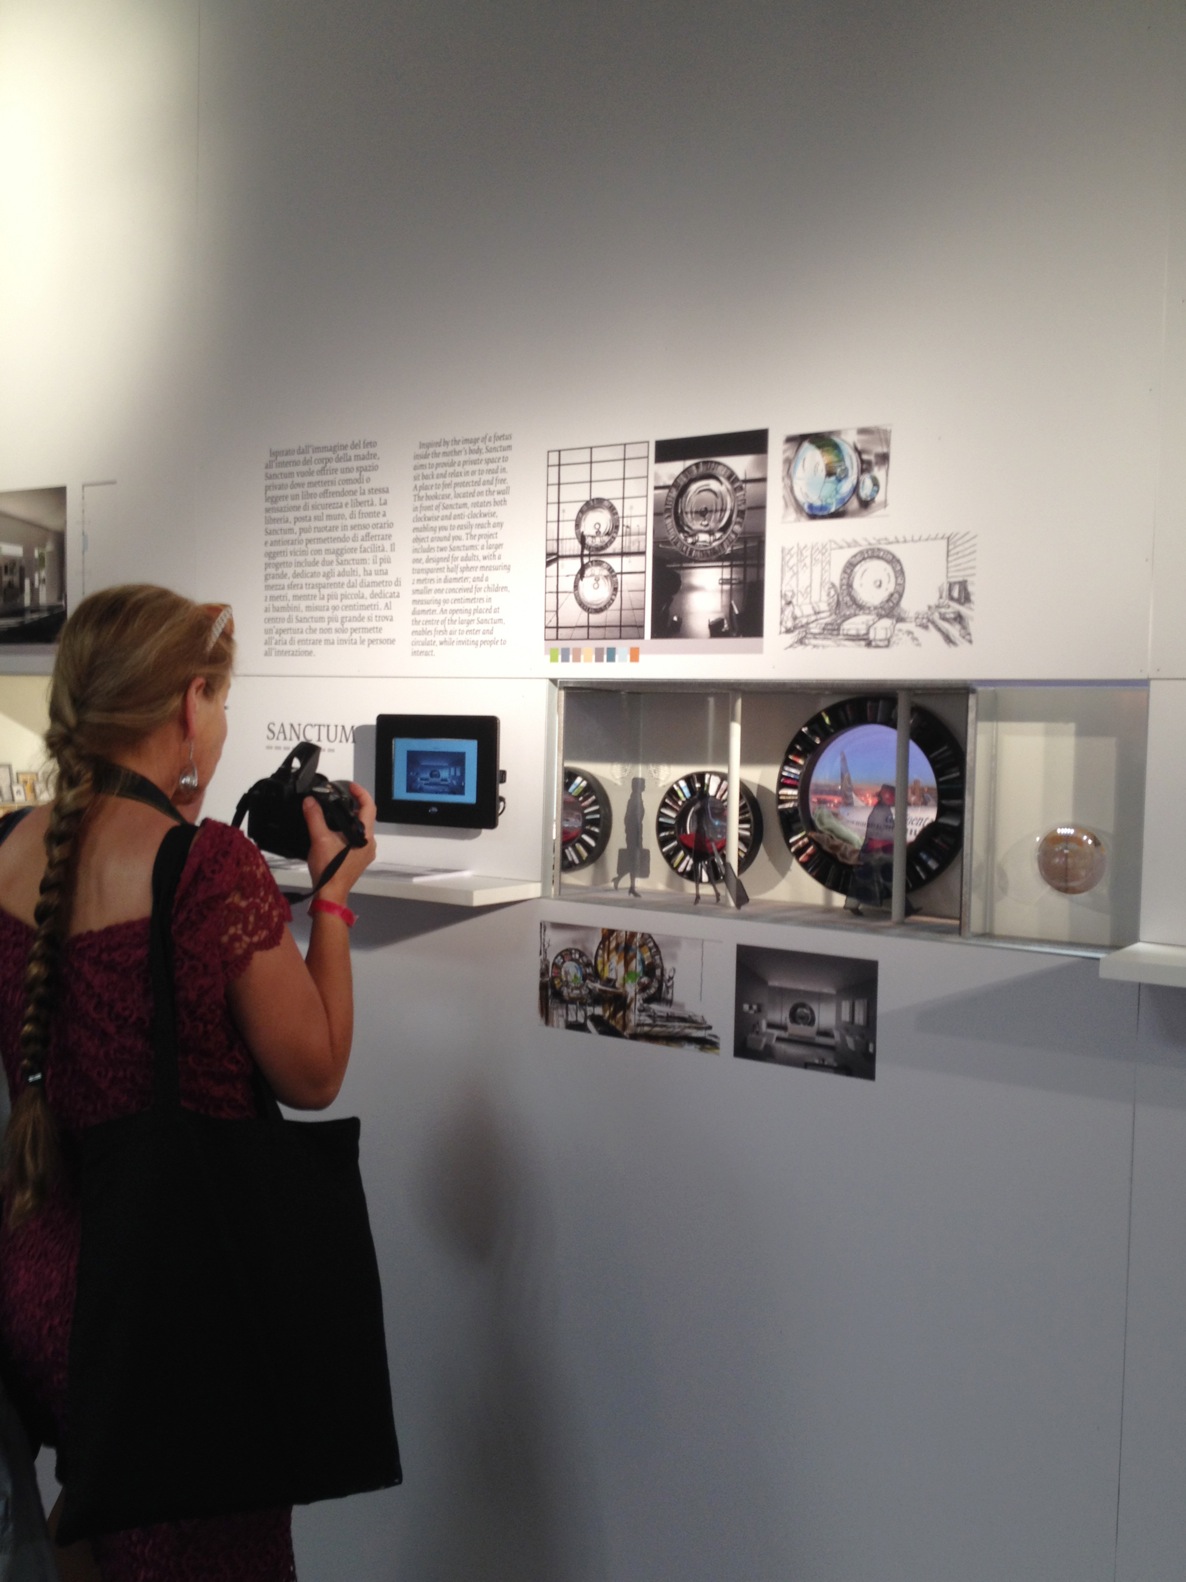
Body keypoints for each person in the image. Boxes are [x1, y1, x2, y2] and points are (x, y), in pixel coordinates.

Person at [0, 586, 377, 1582]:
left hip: (45, 1279)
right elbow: (314, 1071)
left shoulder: (8, 848)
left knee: (98, 1533)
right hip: (173, 1306)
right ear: (186, 703)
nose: (219, 723)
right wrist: (333, 904)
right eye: (219, 702)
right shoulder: (206, 866)